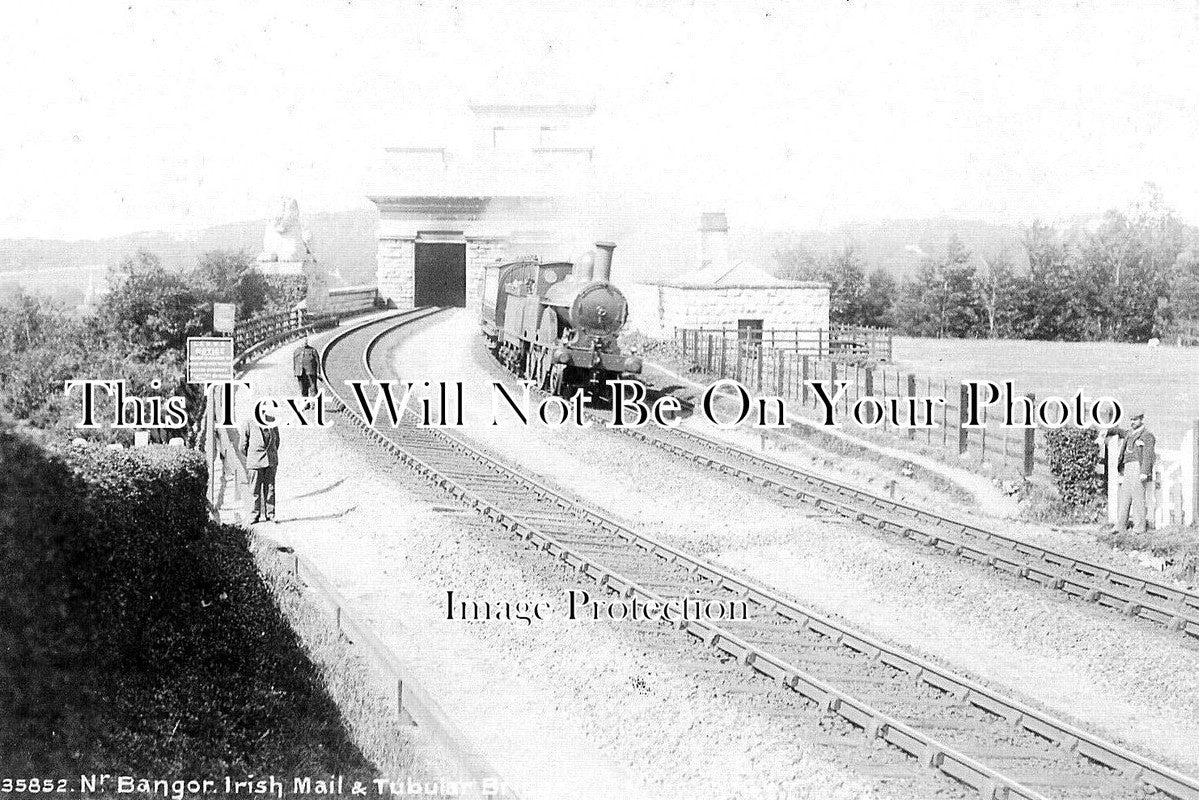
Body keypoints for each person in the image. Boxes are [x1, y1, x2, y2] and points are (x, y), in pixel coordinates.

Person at [1097, 411, 1156, 534]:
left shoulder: (1147, 435)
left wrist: (1144, 472)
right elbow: (1119, 431)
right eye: (1131, 420)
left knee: (1138, 498)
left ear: (1141, 419)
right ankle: (1120, 526)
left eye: (1135, 419)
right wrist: (1107, 431)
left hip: (1138, 468)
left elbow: (1148, 454)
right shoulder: (1129, 433)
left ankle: (1139, 529)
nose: (1132, 422)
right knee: (1125, 497)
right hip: (1127, 467)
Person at [242, 409, 281, 524]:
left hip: (270, 461)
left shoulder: (272, 420)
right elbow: (242, 445)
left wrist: (271, 454)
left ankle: (270, 514)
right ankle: (254, 515)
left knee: (270, 489)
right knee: (255, 490)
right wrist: (252, 456)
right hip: (255, 462)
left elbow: (277, 441)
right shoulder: (249, 422)